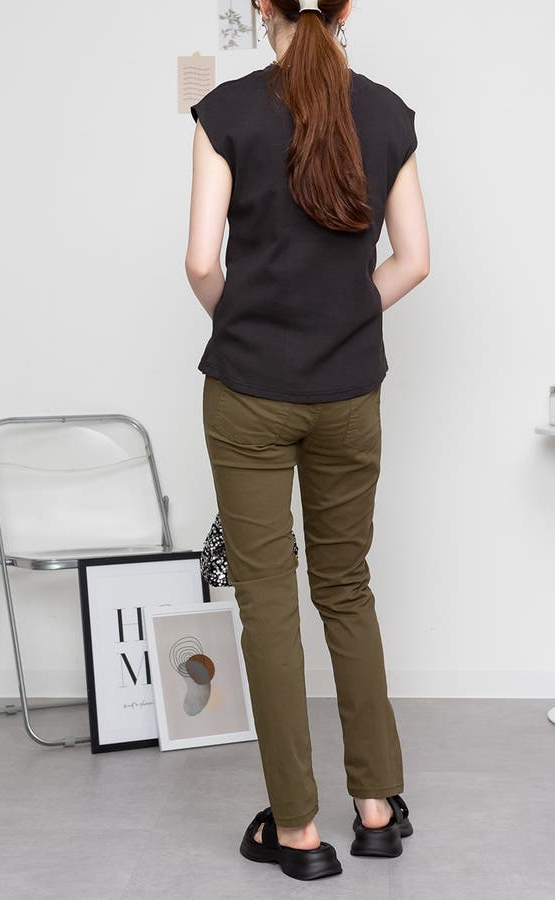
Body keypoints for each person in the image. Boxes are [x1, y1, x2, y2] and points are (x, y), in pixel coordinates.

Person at [185, 0, 429, 881]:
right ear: (347, 6)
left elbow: (201, 263)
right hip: (350, 391)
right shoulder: (388, 113)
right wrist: (341, 318)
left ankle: (296, 831)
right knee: (347, 588)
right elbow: (414, 259)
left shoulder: (226, 111)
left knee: (268, 604)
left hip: (248, 392)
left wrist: (250, 326)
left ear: (263, 6)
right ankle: (376, 810)